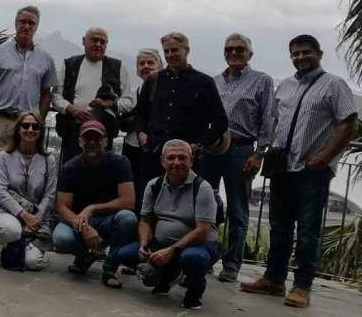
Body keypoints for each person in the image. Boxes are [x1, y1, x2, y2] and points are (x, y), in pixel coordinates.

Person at [241, 35, 358, 309]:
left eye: (306, 52)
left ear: (319, 53)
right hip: (282, 166)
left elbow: (348, 124)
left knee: (308, 230)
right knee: (279, 227)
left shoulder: (334, 84)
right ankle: (273, 279)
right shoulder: (286, 85)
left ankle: (302, 286)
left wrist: (325, 158)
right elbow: (277, 121)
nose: (300, 57)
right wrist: (268, 148)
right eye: (295, 53)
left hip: (311, 169)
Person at [201, 33, 274, 283]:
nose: (234, 53)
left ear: (250, 54)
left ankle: (231, 265)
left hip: (241, 149)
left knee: (238, 210)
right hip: (212, 148)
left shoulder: (262, 81)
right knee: (206, 204)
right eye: (229, 49)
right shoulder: (214, 81)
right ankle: (205, 257)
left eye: (240, 49)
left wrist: (259, 153)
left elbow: (268, 119)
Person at [115, 140, 219, 310]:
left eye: (182, 158)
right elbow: (145, 220)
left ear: (191, 161)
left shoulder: (202, 187)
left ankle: (195, 291)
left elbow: (202, 230)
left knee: (193, 259)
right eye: (171, 157)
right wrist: (144, 245)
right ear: (163, 161)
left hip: (198, 244)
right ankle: (167, 277)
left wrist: (173, 250)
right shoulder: (154, 185)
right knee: (126, 254)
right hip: (162, 243)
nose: (176, 162)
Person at [0, 6, 58, 190]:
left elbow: (47, 93)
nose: (27, 26)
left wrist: (39, 120)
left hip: (26, 124)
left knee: (22, 174)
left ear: (36, 27)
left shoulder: (45, 59)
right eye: (23, 22)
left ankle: (18, 216)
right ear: (16, 23)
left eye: (31, 23)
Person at [136, 32, 228, 190]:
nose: (170, 55)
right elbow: (141, 113)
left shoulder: (204, 82)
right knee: (148, 204)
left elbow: (221, 121)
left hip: (188, 159)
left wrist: (200, 144)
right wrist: (141, 133)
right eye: (166, 51)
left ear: (187, 50)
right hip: (155, 156)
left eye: (175, 50)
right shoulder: (154, 79)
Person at [53, 120, 138, 288]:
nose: (92, 142)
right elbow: (61, 207)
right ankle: (85, 255)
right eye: (87, 138)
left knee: (128, 218)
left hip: (109, 221)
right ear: (79, 141)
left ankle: (110, 268)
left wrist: (91, 208)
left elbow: (129, 201)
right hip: (79, 222)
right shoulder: (69, 167)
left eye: (97, 138)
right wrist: (84, 226)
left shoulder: (120, 163)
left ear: (106, 141)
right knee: (61, 237)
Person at [52, 27, 135, 163]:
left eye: (102, 42)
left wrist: (110, 104)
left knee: (100, 176)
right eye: (94, 40)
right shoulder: (70, 65)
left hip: (103, 133)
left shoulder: (117, 67)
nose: (98, 44)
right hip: (74, 132)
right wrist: (71, 109)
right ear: (84, 41)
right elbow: (55, 96)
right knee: (72, 171)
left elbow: (129, 101)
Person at [0, 111, 56, 267]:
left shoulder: (49, 160)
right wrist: (24, 215)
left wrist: (35, 220)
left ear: (41, 132)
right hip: (9, 211)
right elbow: (1, 191)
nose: (30, 130)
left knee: (31, 262)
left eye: (35, 127)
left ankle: (24, 249)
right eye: (25, 125)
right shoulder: (4, 156)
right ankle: (14, 244)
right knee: (10, 230)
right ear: (18, 129)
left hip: (37, 217)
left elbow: (50, 194)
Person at [126, 49, 162, 210]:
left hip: (154, 148)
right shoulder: (134, 92)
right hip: (132, 145)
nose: (146, 66)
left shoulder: (166, 92)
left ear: (160, 66)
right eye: (142, 63)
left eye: (150, 63)